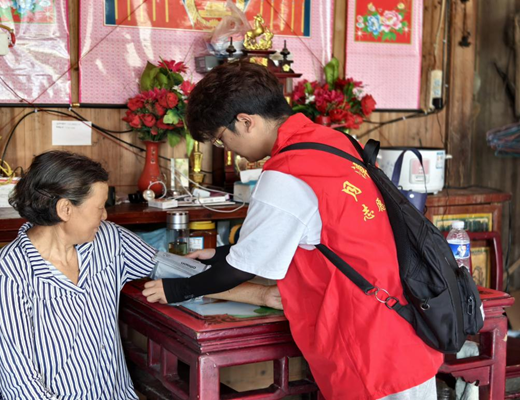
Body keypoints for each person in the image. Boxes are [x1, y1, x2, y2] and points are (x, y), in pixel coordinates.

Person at [142, 60, 444, 399]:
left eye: (222, 139)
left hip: (367, 347)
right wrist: (220, 253)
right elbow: (315, 233)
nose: (229, 151)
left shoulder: (286, 171)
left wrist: (177, 290)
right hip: (403, 325)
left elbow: (241, 269)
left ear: (246, 122)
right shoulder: (335, 142)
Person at [0, 151, 158, 399]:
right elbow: (19, 384)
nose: (105, 216)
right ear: (65, 209)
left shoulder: (108, 239)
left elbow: (162, 265)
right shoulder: (10, 271)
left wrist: (209, 268)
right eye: (100, 207)